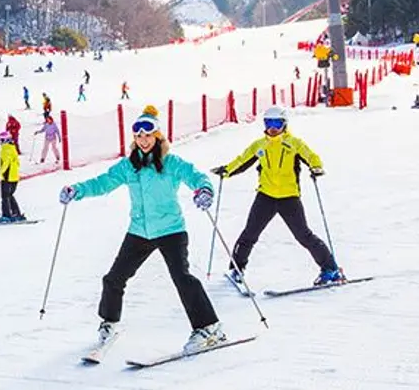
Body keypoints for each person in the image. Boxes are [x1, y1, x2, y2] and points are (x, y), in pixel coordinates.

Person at [59, 105, 225, 353]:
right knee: (114, 278)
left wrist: (204, 190)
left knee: (183, 278)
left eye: (148, 135)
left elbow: (196, 177)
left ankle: (209, 328)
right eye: (138, 136)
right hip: (140, 231)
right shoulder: (129, 166)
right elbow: (103, 182)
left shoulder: (171, 162)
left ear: (157, 136)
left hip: (171, 230)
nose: (143, 140)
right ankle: (109, 323)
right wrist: (77, 190)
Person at [211, 106, 342, 287]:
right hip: (266, 196)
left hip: (289, 198)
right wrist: (226, 170)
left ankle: (331, 269)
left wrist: (316, 167)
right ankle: (237, 269)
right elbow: (242, 161)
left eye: (277, 123)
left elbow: (311, 156)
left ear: (284, 124)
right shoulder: (259, 145)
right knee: (250, 233)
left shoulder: (294, 144)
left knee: (304, 235)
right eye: (268, 123)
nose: (272, 128)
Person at [0, 131, 23, 223]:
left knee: (5, 196)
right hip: (14, 176)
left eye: (1, 140)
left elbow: (6, 163)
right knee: (10, 195)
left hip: (8, 176)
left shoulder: (5, 149)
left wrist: (0, 172)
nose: (0, 142)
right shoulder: (12, 148)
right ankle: (16, 213)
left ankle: (6, 215)